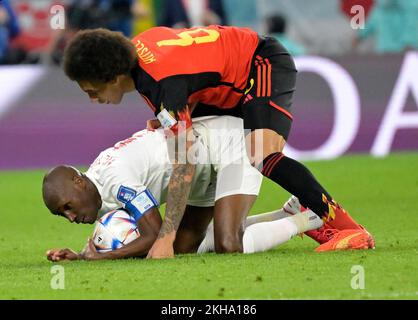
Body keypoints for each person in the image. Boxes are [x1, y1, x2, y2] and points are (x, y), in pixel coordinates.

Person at [62, 26, 375, 258]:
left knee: (260, 154)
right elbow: (196, 70)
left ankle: (348, 228)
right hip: (229, 84)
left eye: (92, 91)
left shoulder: (160, 84)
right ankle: (300, 214)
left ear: (114, 77)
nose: (93, 99)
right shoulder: (142, 50)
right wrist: (174, 118)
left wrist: (165, 236)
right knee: (205, 238)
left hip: (260, 62)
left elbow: (186, 161)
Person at [43, 116, 326, 261]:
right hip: (195, 169)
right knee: (184, 247)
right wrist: (81, 255)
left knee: (230, 245)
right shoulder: (94, 191)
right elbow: (132, 236)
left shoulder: (116, 178)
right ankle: (285, 212)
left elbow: (153, 233)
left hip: (227, 145)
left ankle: (307, 218)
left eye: (67, 206)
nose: (70, 217)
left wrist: (101, 258)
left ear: (78, 182)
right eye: (61, 214)